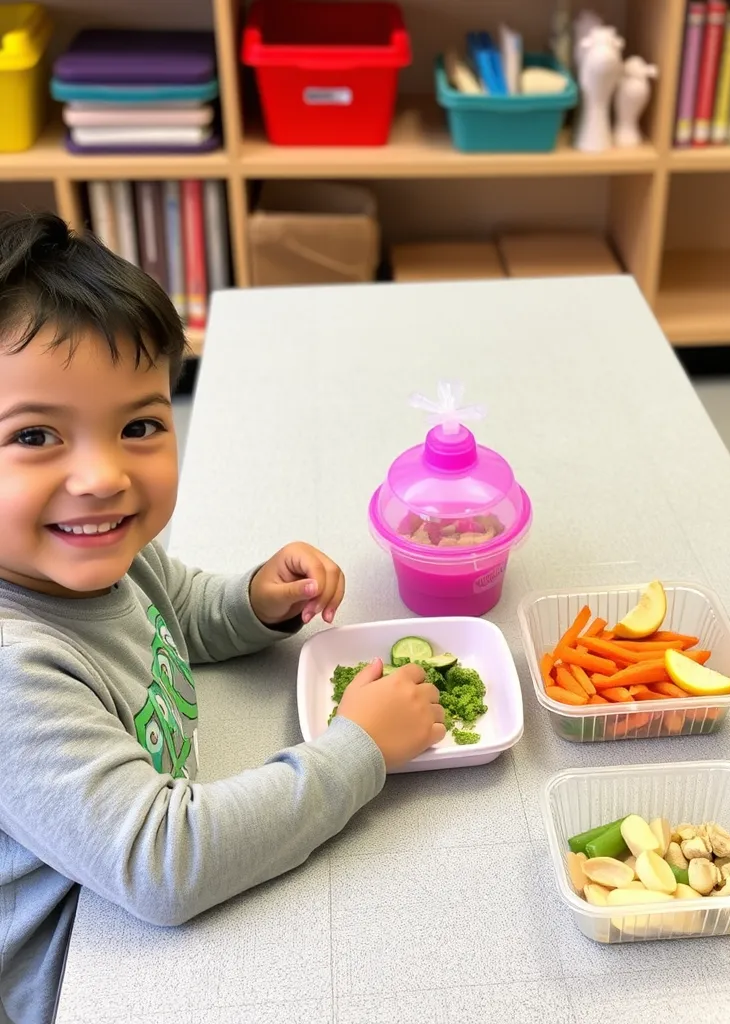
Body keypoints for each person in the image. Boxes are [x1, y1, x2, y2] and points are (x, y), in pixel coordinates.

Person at [0, 212, 447, 1024]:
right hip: (77, 976)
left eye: (139, 426)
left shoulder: (99, 554)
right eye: (34, 435)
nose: (102, 477)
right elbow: (164, 864)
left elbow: (178, 611)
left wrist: (254, 600)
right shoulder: (14, 670)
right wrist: (360, 750)